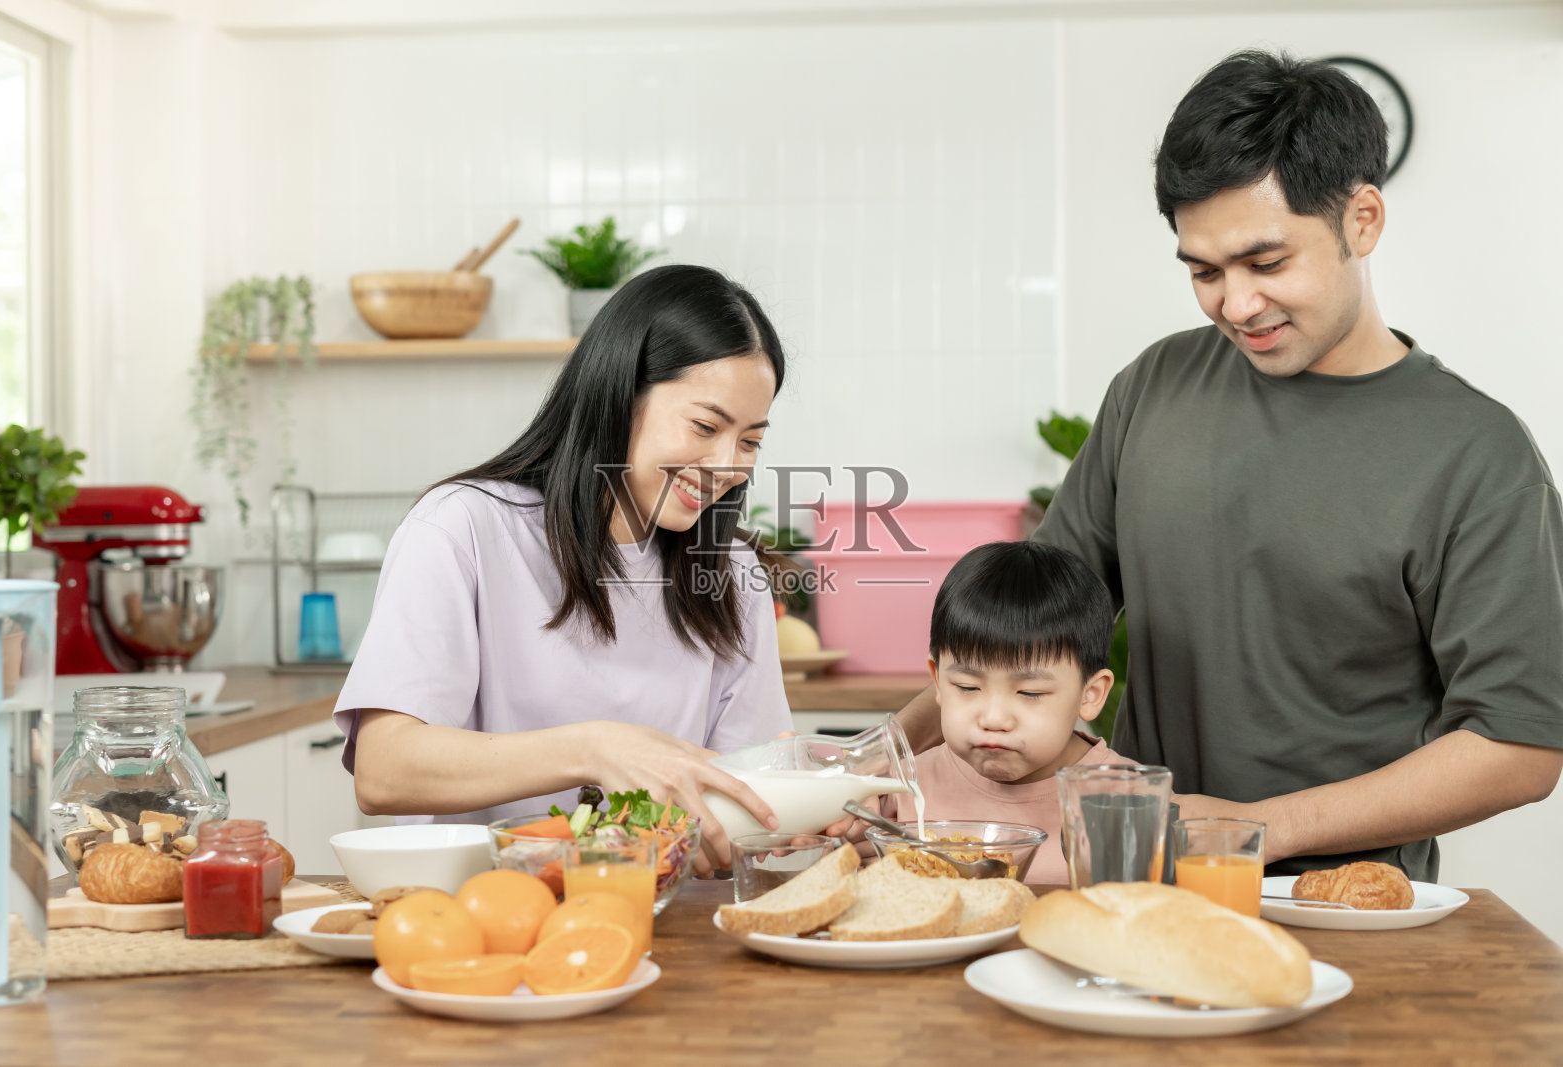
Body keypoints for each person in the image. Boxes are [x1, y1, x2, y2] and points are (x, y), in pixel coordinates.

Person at [896, 50, 1563, 880]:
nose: (1236, 305)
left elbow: (1519, 744)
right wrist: (878, 758)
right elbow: (1017, 633)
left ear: (1362, 220)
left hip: (1336, 905)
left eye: (1266, 263)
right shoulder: (1154, 386)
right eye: (1205, 272)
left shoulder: (1479, 457)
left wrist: (1259, 827)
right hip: (1126, 885)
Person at [333, 264, 796, 873]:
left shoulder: (732, 572)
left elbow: (746, 807)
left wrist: (809, 810)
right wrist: (594, 748)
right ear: (619, 393)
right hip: (479, 920)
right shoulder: (464, 527)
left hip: (664, 921)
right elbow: (385, 769)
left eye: (750, 441)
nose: (726, 464)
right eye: (705, 426)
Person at [877, 541, 1137, 884]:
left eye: (1030, 693)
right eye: (968, 687)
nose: (994, 719)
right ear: (938, 681)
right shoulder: (899, 787)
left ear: (1090, 694)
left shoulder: (1131, 797)